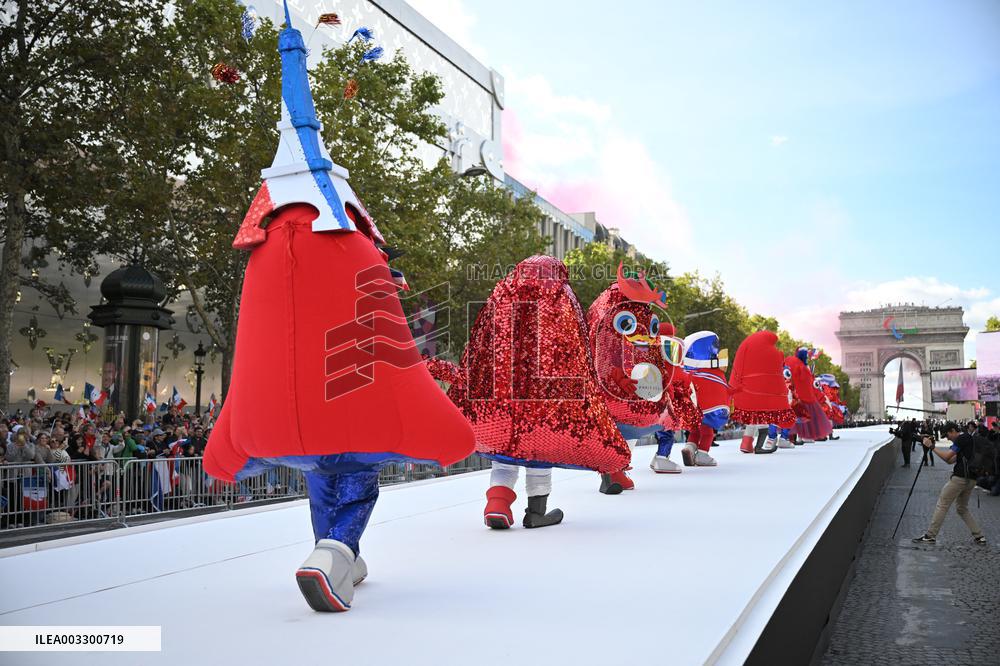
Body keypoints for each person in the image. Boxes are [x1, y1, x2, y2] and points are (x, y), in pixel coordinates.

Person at [912, 422, 986, 545]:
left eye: (947, 435)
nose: (947, 438)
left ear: (953, 430)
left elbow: (947, 457)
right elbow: (951, 460)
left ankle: (930, 535)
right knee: (962, 508)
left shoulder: (961, 439)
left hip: (960, 478)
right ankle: (979, 536)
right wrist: (934, 447)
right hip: (971, 479)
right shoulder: (969, 439)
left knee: (942, 504)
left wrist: (932, 447)